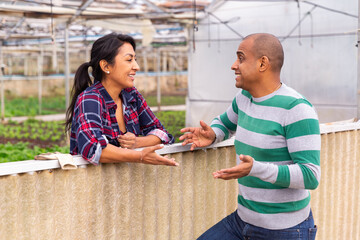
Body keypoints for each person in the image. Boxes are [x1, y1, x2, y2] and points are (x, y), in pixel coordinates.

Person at [180, 33, 320, 240]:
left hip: (286, 231)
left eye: (241, 58)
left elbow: (310, 176)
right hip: (242, 222)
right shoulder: (244, 99)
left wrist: (256, 169)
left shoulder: (296, 109)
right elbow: (224, 123)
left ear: (263, 63)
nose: (234, 65)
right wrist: (213, 134)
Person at [65, 33, 178, 167]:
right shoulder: (90, 99)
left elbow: (162, 134)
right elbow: (92, 148)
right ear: (106, 66)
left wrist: (137, 142)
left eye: (135, 59)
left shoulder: (131, 95)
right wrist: (140, 156)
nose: (136, 66)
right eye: (129, 60)